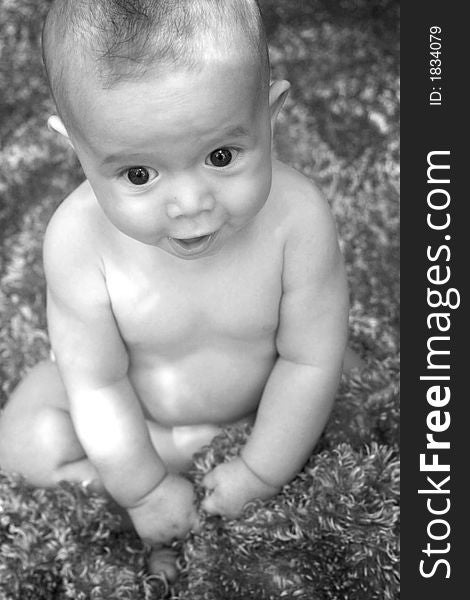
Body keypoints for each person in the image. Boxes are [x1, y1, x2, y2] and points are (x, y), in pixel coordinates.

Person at [0, 0, 361, 580]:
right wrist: (141, 487)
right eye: (138, 175)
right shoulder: (76, 239)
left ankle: (219, 494)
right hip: (142, 422)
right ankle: (158, 511)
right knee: (21, 439)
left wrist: (260, 471)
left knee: (343, 380)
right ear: (78, 151)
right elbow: (95, 380)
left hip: (265, 411)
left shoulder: (298, 219)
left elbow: (307, 360)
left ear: (271, 116)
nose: (190, 204)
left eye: (222, 156)